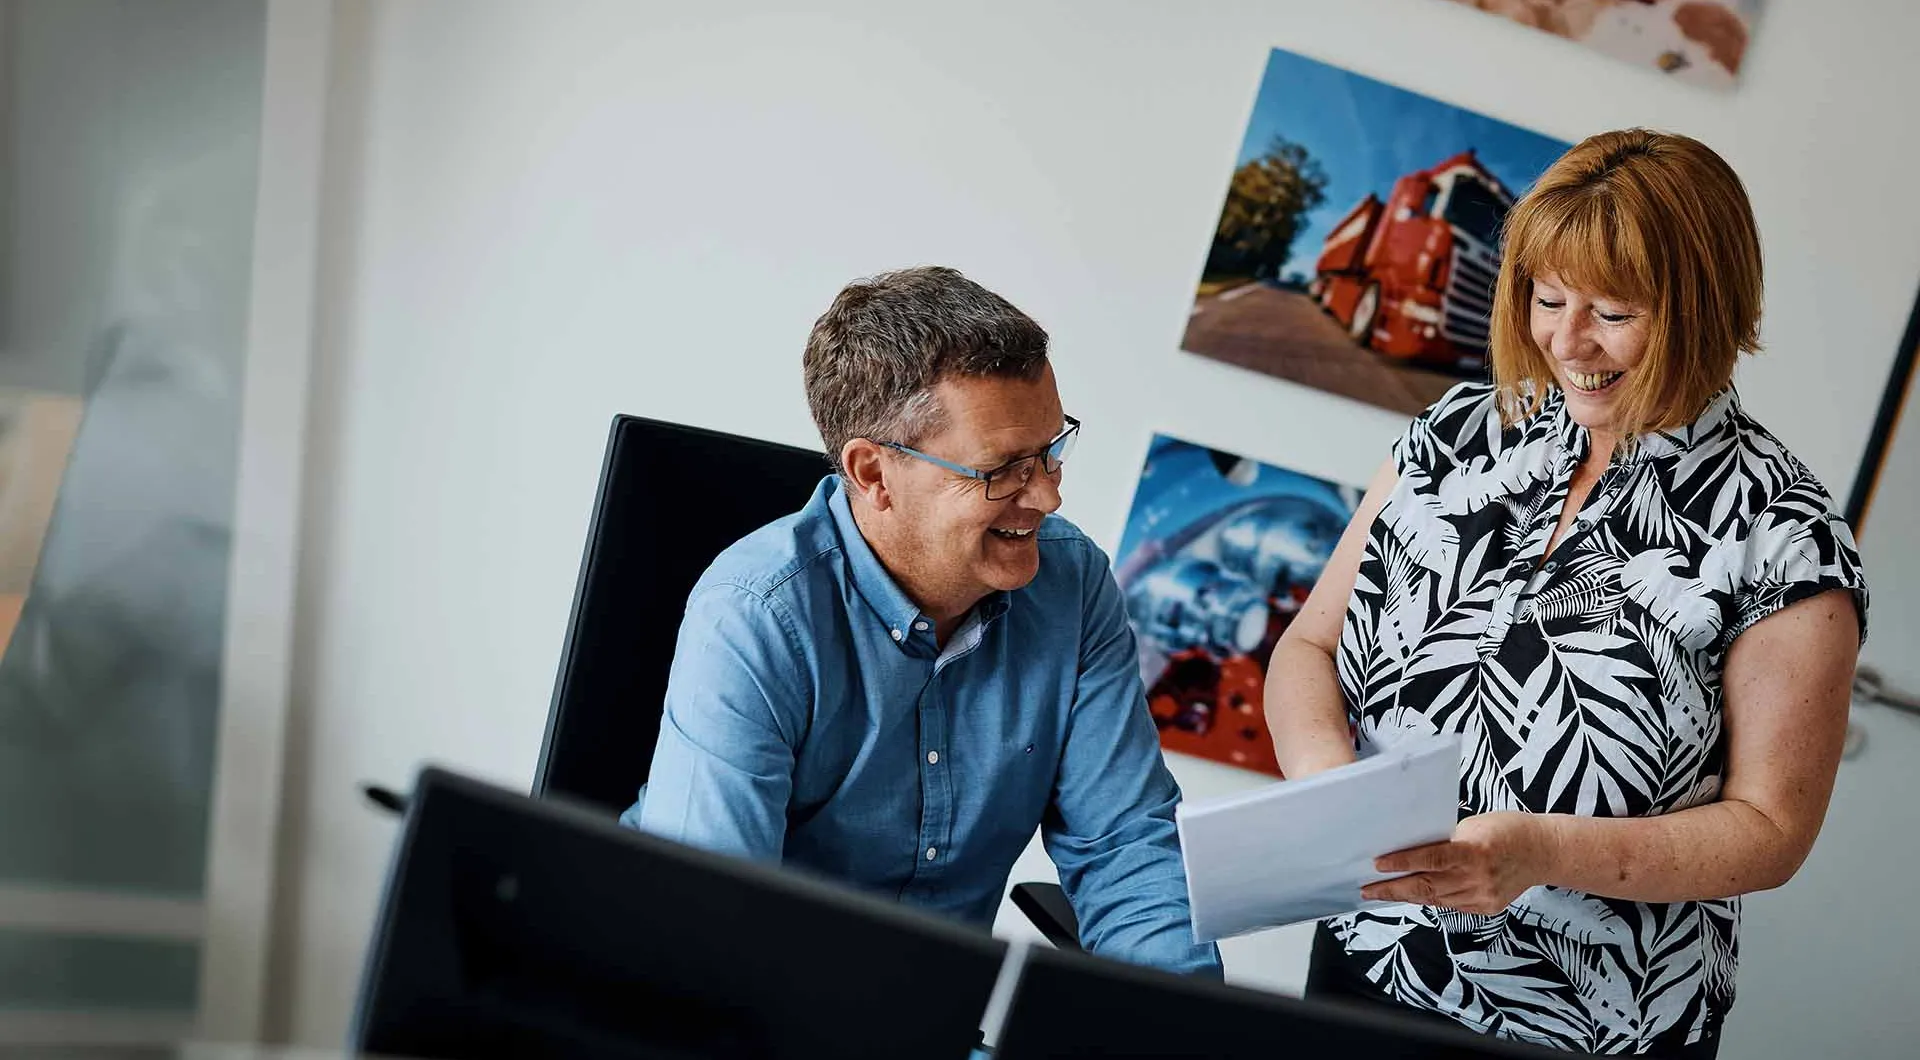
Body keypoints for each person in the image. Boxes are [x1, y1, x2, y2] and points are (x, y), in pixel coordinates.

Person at [1265, 129, 1867, 1058]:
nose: (1567, 341)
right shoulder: (1456, 433)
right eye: (1548, 299)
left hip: (1592, 1025)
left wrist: (1541, 852)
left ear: (1705, 306)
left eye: (1613, 312)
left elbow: (1769, 830)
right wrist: (1325, 791)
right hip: (1370, 958)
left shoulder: (1786, 533)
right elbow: (1309, 646)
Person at [626, 265, 1221, 977]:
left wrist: (1181, 1020)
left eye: (1050, 453)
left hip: (934, 1011)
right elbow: (708, 928)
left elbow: (1126, 848)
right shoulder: (755, 616)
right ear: (874, 474)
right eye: (1002, 469)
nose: (1047, 497)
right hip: (760, 1000)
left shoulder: (1073, 584)